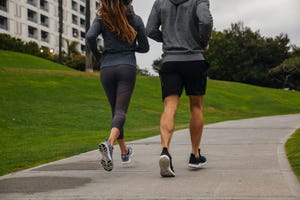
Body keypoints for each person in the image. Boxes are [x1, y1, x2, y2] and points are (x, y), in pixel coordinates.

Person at [146, 0, 213, 177]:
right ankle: (195, 155)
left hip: (170, 61)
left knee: (169, 106)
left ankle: (165, 151)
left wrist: (168, 38)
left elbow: (150, 30)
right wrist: (203, 41)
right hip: (194, 60)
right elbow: (205, 21)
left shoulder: (160, 2)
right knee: (196, 107)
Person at [86, 0, 149, 171]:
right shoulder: (135, 20)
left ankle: (124, 152)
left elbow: (90, 37)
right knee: (120, 111)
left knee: (116, 111)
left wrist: (100, 55)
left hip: (106, 68)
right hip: (126, 67)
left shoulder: (101, 18)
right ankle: (110, 144)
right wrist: (130, 48)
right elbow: (145, 47)